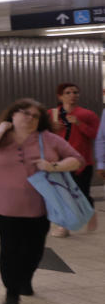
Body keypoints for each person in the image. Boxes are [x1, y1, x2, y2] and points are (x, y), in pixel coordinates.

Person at [0, 98, 84, 304]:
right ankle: (11, 291)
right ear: (13, 114)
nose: (30, 118)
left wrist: (53, 165)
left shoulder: (48, 139)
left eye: (35, 116)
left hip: (39, 206)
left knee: (34, 249)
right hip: (4, 205)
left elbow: (76, 159)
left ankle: (25, 279)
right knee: (9, 249)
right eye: (24, 113)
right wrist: (2, 126)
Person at [49, 83, 100, 236]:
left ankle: (89, 212)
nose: (73, 95)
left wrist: (80, 124)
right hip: (58, 161)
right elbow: (38, 134)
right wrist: (52, 128)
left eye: (75, 92)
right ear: (60, 96)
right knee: (62, 192)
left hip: (81, 161)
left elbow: (97, 135)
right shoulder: (51, 114)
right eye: (68, 92)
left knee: (81, 193)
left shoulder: (87, 114)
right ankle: (64, 226)